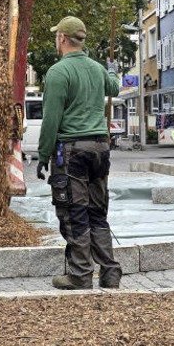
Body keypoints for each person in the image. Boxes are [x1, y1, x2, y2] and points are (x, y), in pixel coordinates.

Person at [36, 16, 123, 290]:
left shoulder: (59, 73)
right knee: (97, 213)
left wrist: (42, 156)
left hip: (72, 152)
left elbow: (51, 120)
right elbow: (115, 87)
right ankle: (110, 272)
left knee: (75, 213)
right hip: (100, 149)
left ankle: (80, 274)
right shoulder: (97, 69)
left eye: (56, 36)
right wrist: (111, 70)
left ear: (62, 38)